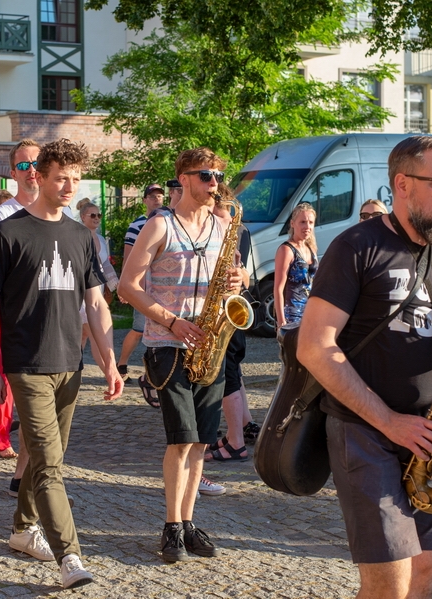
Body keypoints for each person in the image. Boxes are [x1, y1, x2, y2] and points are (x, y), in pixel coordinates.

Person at [296, 135, 432, 598]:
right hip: (368, 431)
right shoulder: (356, 246)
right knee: (388, 584)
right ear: (402, 184)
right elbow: (314, 347)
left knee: (427, 571)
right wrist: (390, 422)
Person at [0, 138, 122, 589]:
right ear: (39, 175)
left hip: (69, 363)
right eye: (61, 177)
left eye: (75, 180)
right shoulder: (9, 232)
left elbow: (96, 306)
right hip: (25, 362)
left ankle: (22, 529)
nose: (68, 187)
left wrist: (110, 362)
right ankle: (70, 556)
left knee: (42, 458)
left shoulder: (82, 236)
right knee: (51, 463)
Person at [120, 147, 247, 563]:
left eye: (217, 176)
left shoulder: (223, 224)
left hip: (212, 344)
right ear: (184, 179)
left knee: (201, 444)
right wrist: (172, 322)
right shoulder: (160, 226)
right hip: (168, 346)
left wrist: (240, 277)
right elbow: (127, 287)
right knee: (181, 440)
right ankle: (172, 526)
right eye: (206, 176)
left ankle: (189, 522)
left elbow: (239, 275)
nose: (214, 183)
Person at [0, 141, 42, 489]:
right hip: (12, 316)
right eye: (23, 166)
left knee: (42, 405)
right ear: (13, 172)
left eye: (37, 164)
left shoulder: (62, 213)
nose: (32, 171)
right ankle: (24, 476)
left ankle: (26, 477)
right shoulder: (2, 216)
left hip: (48, 322)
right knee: (23, 394)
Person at [204, 184, 255, 465]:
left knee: (228, 377)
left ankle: (235, 441)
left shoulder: (232, 229)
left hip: (226, 309)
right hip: (228, 307)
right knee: (232, 373)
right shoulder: (239, 229)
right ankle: (239, 431)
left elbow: (242, 272)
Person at [116, 183, 166, 395]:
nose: (157, 199)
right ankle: (121, 365)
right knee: (138, 329)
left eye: (160, 196)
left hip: (162, 286)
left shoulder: (168, 221)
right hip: (142, 285)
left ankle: (154, 373)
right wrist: (125, 286)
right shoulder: (137, 225)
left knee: (159, 331)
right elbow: (128, 256)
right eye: (152, 196)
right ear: (145, 200)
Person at [77, 199, 118, 365]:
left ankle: (71, 373)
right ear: (82, 217)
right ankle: (111, 375)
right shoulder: (77, 237)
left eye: (99, 215)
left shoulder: (101, 240)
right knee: (96, 335)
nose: (96, 218)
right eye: (92, 215)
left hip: (98, 295)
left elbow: (106, 265)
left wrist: (117, 287)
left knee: (82, 337)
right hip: (81, 296)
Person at [273, 202, 317, 330]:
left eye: (311, 222)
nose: (307, 226)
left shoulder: (311, 248)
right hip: (292, 316)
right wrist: (281, 322)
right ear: (292, 224)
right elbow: (278, 289)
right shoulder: (286, 250)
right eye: (302, 222)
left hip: (310, 314)